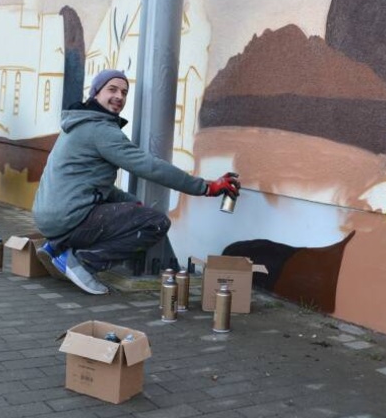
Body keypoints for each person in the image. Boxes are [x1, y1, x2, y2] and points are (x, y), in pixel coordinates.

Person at [31, 69, 241, 295]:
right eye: (112, 89)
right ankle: (82, 263)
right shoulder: (101, 130)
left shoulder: (78, 124)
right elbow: (149, 166)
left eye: (124, 92)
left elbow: (94, 186)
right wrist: (205, 187)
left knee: (131, 212)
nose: (119, 96)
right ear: (95, 93)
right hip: (67, 216)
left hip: (49, 217)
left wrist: (131, 203)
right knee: (155, 223)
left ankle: (56, 248)